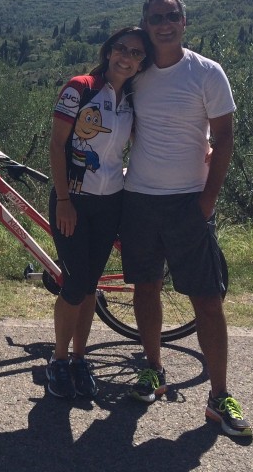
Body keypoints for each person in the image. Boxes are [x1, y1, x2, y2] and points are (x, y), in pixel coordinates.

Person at [121, 0, 253, 437]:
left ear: (184, 21)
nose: (164, 24)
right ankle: (153, 370)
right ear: (145, 22)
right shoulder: (135, 72)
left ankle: (219, 395)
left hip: (187, 202)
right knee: (146, 288)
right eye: (156, 17)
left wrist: (207, 201)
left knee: (207, 300)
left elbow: (226, 138)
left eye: (171, 16)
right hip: (138, 198)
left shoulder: (207, 73)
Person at [45, 26, 151, 399]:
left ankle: (79, 360)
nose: (127, 57)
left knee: (89, 286)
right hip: (72, 199)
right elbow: (57, 146)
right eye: (122, 49)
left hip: (111, 202)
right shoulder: (80, 88)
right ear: (109, 51)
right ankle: (57, 362)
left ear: (142, 63)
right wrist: (62, 200)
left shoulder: (133, 99)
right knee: (74, 285)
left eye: (137, 53)